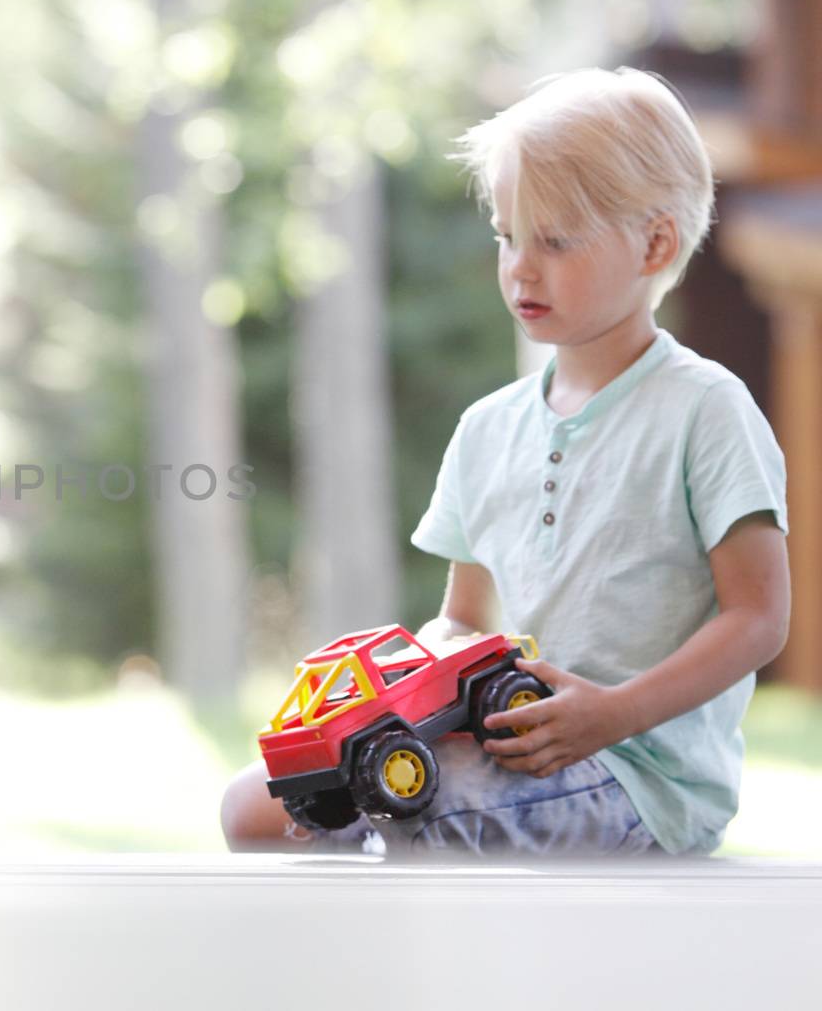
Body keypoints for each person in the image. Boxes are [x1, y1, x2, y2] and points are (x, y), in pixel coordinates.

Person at [221, 67, 789, 855]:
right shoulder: (487, 428)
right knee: (256, 808)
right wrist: (399, 704)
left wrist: (615, 711)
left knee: (423, 814)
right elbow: (464, 618)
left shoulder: (705, 409)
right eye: (507, 235)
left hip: (639, 772)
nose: (521, 266)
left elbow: (758, 618)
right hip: (507, 748)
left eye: (555, 240)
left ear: (654, 242)